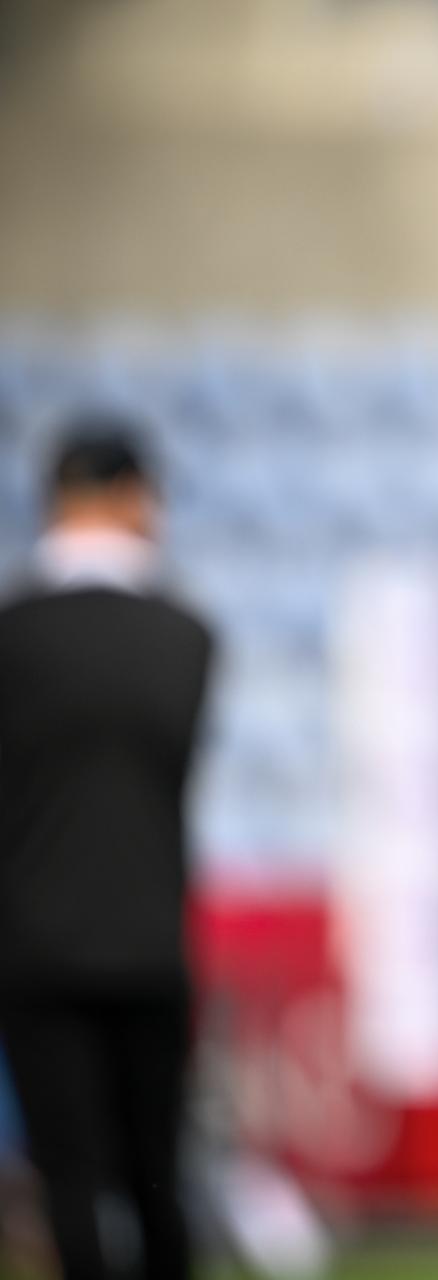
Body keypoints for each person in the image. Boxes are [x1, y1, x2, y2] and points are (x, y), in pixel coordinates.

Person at [0, 418, 216, 1280]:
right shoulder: (185, 637)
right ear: (132, 495)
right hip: (148, 942)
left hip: (31, 944)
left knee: (72, 1181)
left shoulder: (11, 637)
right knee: (159, 1178)